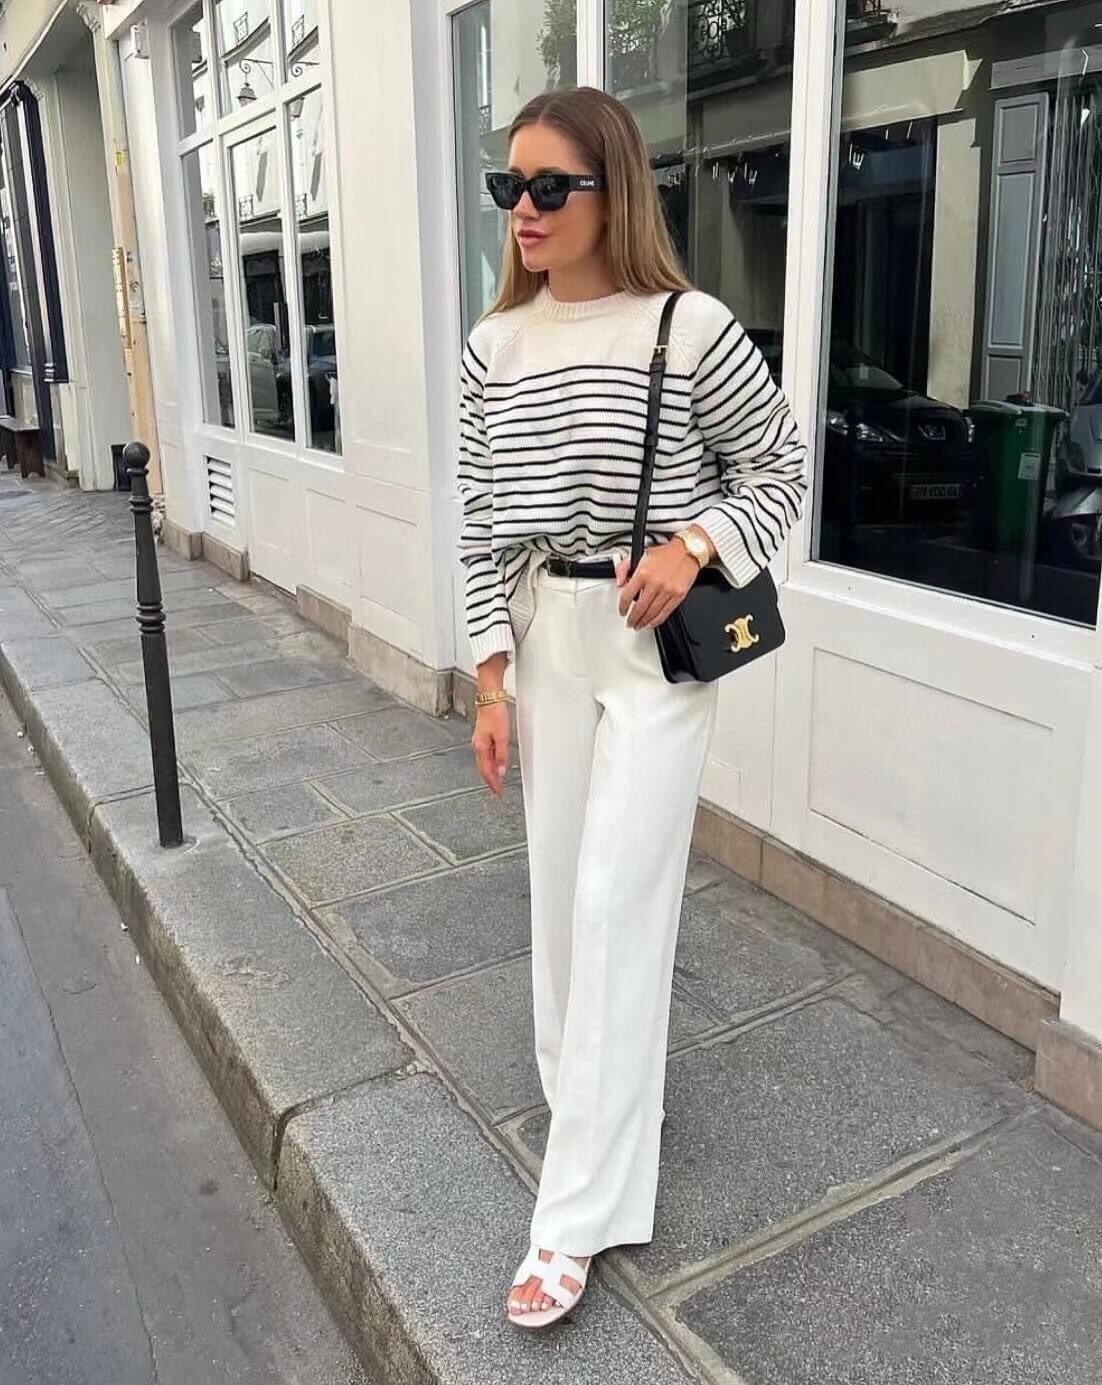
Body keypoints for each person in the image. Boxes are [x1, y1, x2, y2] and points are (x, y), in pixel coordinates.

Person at [456, 86, 807, 1330]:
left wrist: (696, 541)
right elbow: (478, 525)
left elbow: (781, 468)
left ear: (613, 191)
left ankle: (572, 1216)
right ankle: (591, 1108)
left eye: (550, 186)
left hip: (653, 644)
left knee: (616, 900)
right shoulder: (492, 347)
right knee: (560, 900)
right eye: (509, 187)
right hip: (547, 633)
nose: (525, 209)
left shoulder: (688, 326)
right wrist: (489, 678)